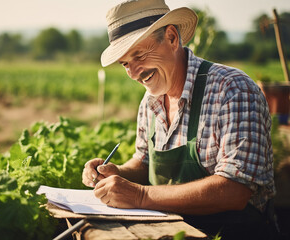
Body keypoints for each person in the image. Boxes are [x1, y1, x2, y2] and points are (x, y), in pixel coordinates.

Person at [82, 0, 278, 239]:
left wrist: (140, 196)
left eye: (139, 55)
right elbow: (143, 163)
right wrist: (117, 174)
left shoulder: (232, 90)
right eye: (125, 63)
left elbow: (235, 191)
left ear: (172, 38)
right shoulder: (150, 101)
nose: (133, 73)